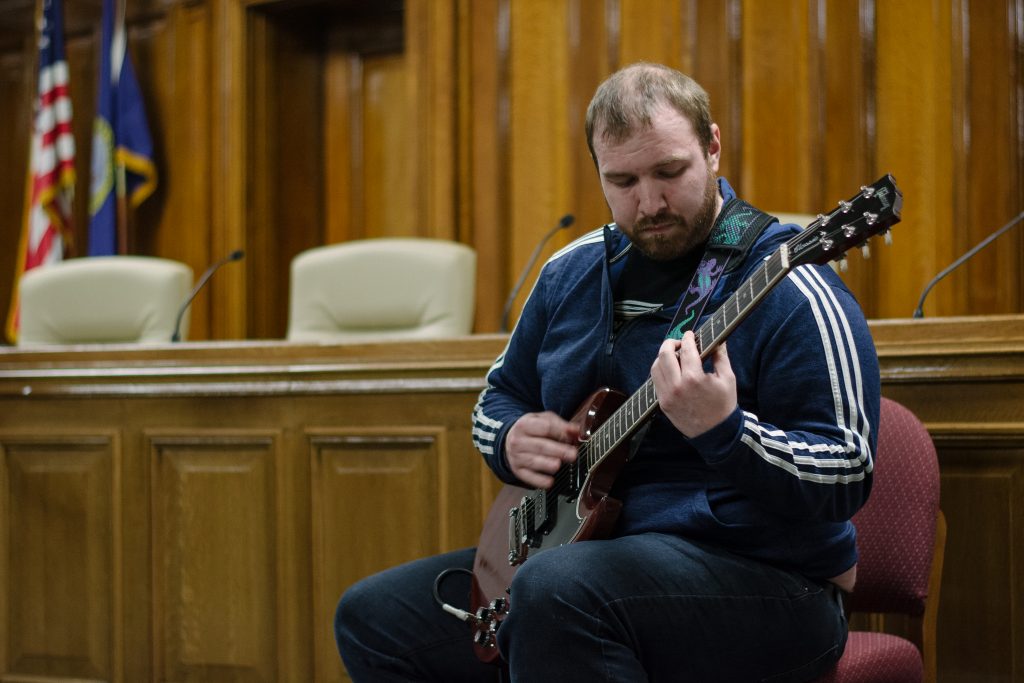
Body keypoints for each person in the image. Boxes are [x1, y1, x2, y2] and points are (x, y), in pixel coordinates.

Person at [334, 62, 879, 682]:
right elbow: (497, 399)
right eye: (622, 181)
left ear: (713, 147)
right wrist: (510, 439)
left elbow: (848, 471)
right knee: (374, 617)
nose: (649, 203)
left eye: (670, 172)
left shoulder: (792, 284)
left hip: (772, 584)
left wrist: (726, 430)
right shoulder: (570, 272)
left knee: (558, 590)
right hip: (584, 554)